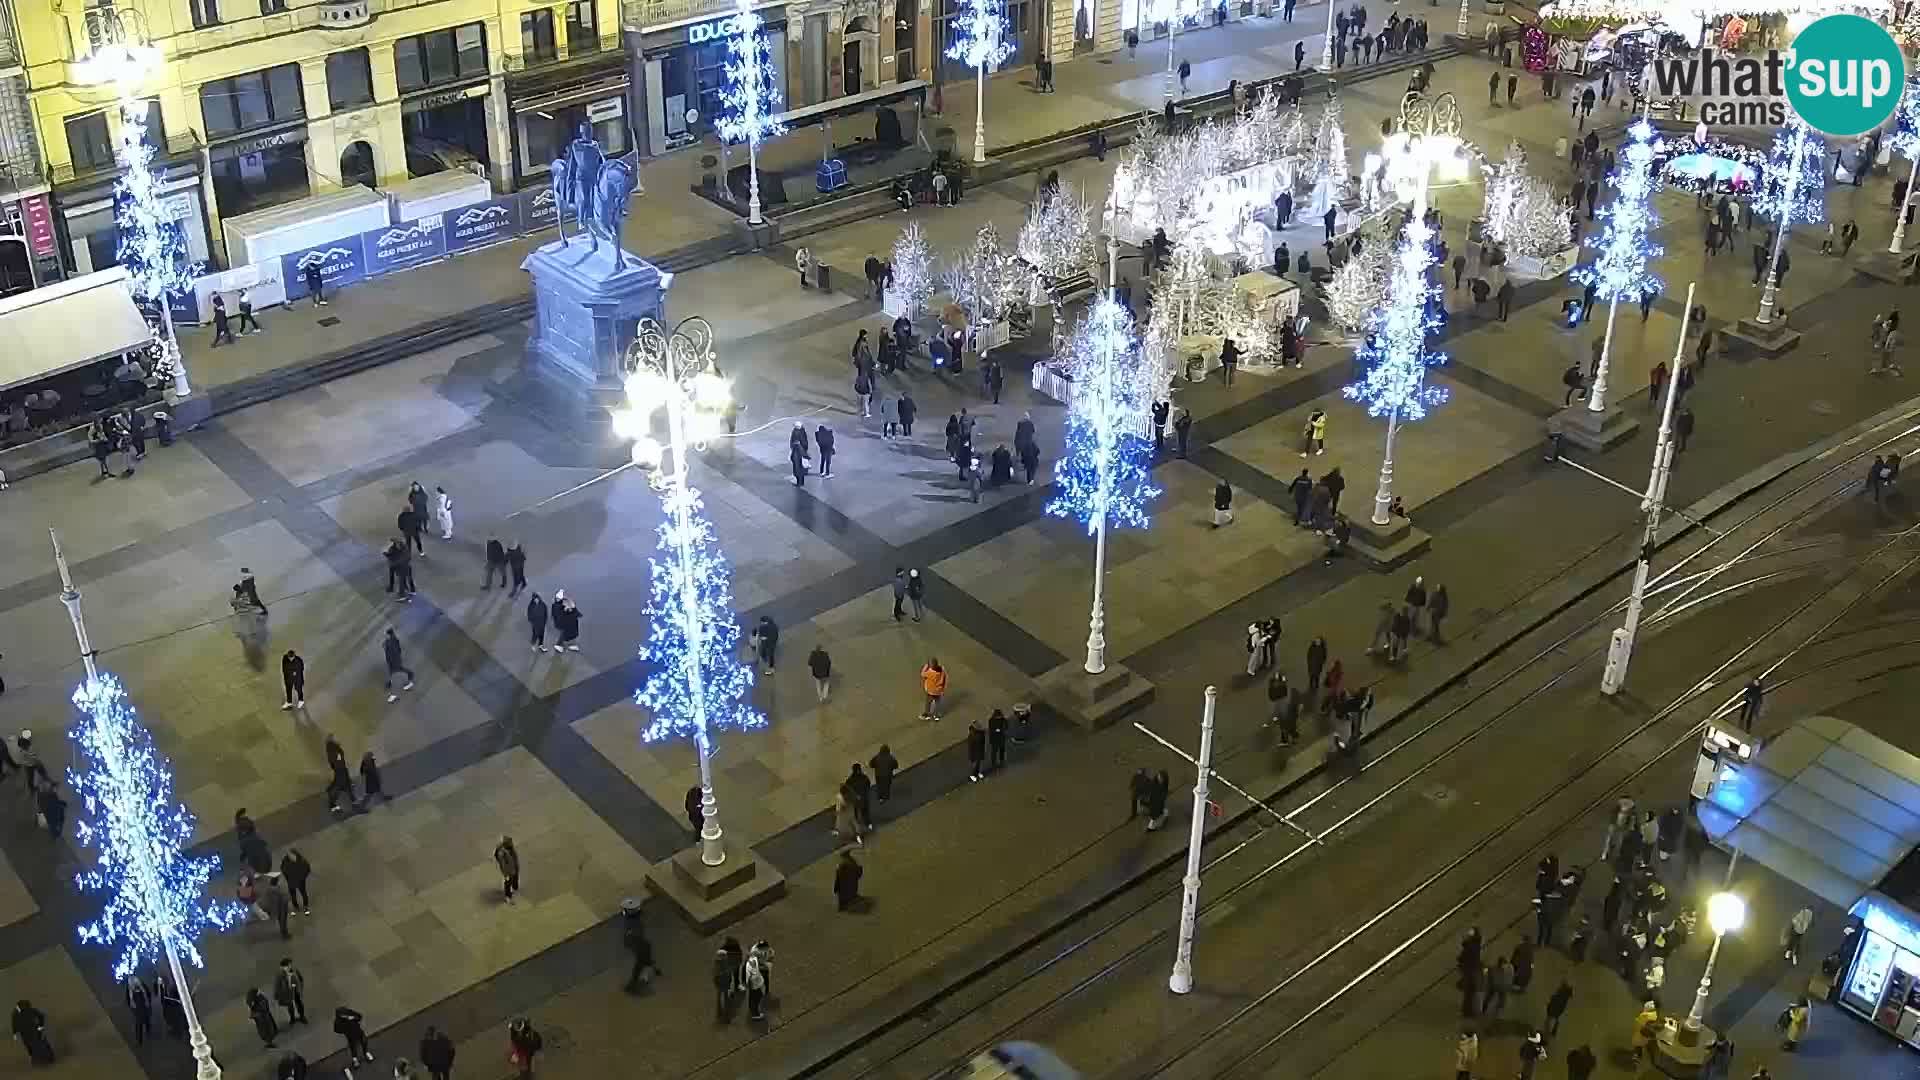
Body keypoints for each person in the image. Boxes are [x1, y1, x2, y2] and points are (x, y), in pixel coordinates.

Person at [383, 629, 415, 703]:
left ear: (388, 634)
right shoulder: (394, 640)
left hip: (394, 661)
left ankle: (393, 695)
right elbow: (399, 649)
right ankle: (409, 678)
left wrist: (385, 647)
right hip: (395, 660)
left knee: (395, 673)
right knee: (396, 671)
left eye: (386, 634)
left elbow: (390, 653)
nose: (385, 636)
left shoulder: (388, 643)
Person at [274, 958, 309, 1025]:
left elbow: (300, 978)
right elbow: (277, 985)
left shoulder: (294, 970)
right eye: (288, 966)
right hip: (287, 993)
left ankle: (302, 1016)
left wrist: (300, 988)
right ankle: (292, 1018)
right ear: (282, 967)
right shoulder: (279, 975)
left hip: (295, 991)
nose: (290, 967)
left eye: (290, 965)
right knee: (290, 1006)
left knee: (299, 1004)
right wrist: (277, 995)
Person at [280, 849, 312, 914]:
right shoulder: (285, 861)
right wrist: (288, 878)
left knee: (303, 893)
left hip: (300, 882)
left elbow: (307, 869)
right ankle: (296, 906)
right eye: (290, 856)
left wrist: (302, 878)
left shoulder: (302, 861)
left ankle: (305, 905)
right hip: (291, 882)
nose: (292, 857)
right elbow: (283, 869)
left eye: (293, 856)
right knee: (293, 895)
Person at [495, 836, 521, 904]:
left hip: (514, 868)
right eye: (510, 843)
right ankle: (508, 897)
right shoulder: (502, 854)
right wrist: (506, 874)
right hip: (509, 871)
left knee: (514, 879)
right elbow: (503, 865)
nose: (512, 844)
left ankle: (514, 887)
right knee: (508, 883)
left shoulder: (511, 849)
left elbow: (515, 858)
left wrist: (517, 867)